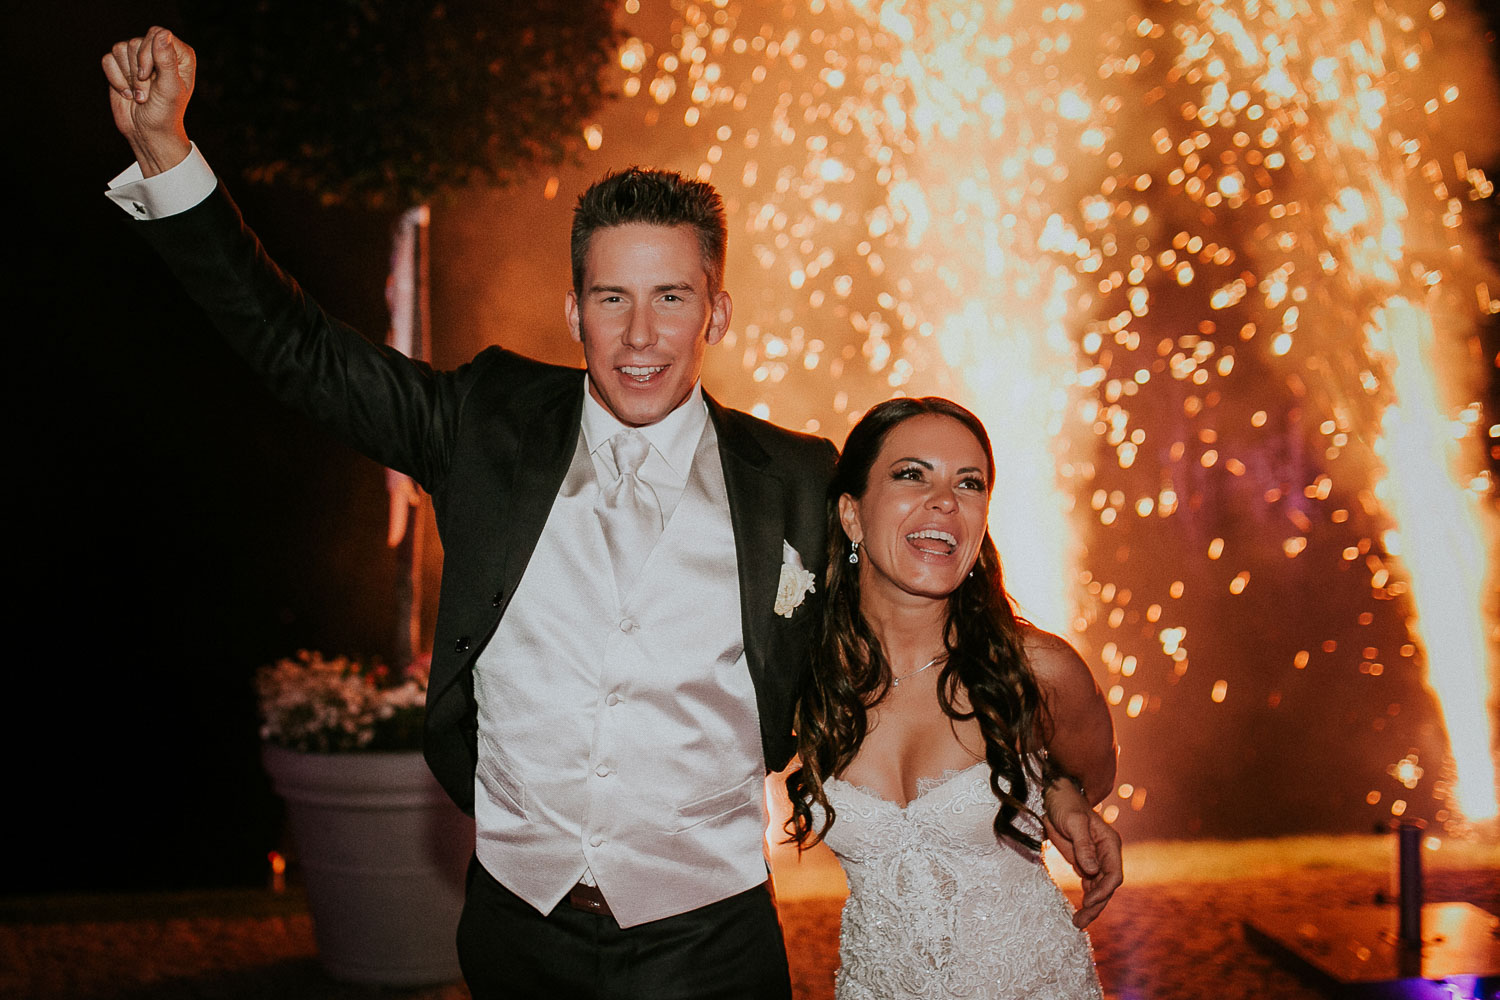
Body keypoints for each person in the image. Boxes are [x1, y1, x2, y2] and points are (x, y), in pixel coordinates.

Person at [101, 28, 1120, 999]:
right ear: (572, 309)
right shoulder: (485, 422)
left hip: (707, 946)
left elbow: (916, 603)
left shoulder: (799, 478)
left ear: (715, 310)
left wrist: (1050, 779)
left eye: (672, 297)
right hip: (514, 932)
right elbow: (298, 352)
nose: (641, 335)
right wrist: (168, 154)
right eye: (612, 299)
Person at [786, 396, 1119, 999]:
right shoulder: (803, 674)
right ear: (852, 515)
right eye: (912, 474)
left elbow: (1086, 773)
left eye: (969, 484)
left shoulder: (1038, 669)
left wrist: (1059, 793)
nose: (945, 501)